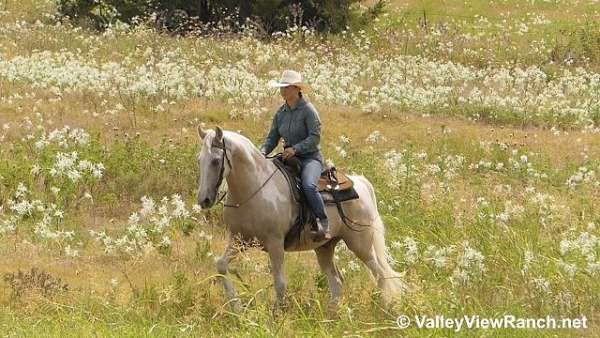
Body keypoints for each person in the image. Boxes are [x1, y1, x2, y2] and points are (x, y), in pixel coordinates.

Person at [260, 70, 331, 240]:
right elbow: (273, 137)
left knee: (308, 186)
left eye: (285, 87)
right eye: (281, 87)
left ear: (296, 88)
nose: (282, 91)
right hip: (288, 157)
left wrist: (296, 149)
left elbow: (315, 137)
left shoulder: (308, 110)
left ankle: (323, 221)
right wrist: (262, 151)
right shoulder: (280, 113)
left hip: (310, 158)